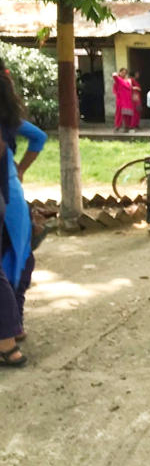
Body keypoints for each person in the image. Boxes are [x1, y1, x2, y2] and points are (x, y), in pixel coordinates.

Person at [0, 61, 46, 367]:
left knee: (10, 263)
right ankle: (14, 328)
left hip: (7, 197)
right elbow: (39, 137)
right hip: (12, 196)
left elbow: (39, 137)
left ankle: (9, 337)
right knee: (18, 258)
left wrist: (19, 169)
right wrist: (20, 170)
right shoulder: (9, 118)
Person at [111, 68, 134, 133]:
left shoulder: (128, 80)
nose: (124, 74)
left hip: (128, 99)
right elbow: (114, 75)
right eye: (122, 72)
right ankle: (117, 127)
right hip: (121, 100)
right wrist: (117, 75)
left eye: (125, 73)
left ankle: (127, 127)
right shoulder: (118, 80)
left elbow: (130, 88)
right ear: (120, 72)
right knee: (119, 113)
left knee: (128, 114)